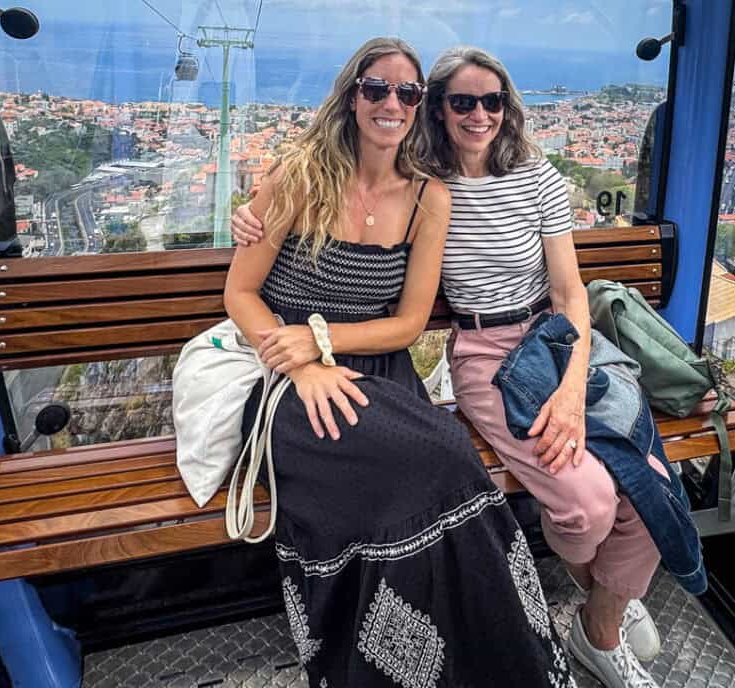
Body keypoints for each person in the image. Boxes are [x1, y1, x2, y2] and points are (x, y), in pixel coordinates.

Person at [233, 45, 677, 688]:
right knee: (446, 464)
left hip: (421, 360)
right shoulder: (299, 180)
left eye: (406, 94)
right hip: (299, 374)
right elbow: (241, 292)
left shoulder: (428, 194)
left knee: (472, 461)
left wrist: (320, 340)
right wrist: (300, 359)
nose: (392, 104)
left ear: (421, 108)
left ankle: (562, 627)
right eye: (378, 90)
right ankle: (445, 652)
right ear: (352, 96)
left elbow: (418, 321)